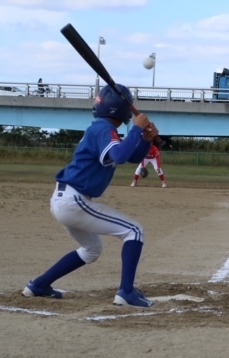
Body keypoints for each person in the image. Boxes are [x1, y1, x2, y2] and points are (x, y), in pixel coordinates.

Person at [21, 84, 159, 308]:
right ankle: (126, 292)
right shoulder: (104, 129)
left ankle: (39, 285)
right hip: (73, 200)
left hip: (66, 199)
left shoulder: (101, 128)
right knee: (134, 231)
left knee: (91, 250)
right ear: (121, 109)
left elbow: (130, 157)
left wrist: (145, 139)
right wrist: (136, 129)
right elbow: (120, 156)